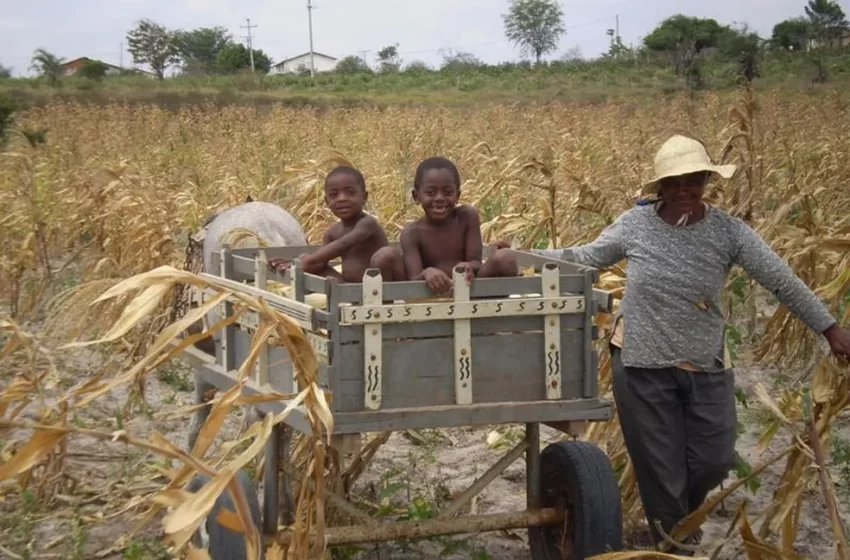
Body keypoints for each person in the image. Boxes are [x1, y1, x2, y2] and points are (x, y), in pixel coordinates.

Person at [501, 135, 850, 555]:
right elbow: (586, 256)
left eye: (694, 180)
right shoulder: (636, 224)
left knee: (714, 460)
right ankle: (674, 544)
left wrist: (829, 329)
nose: (684, 189)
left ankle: (677, 527)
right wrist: (519, 257)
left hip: (705, 365)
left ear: (707, 180)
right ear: (660, 187)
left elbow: (780, 280)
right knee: (661, 471)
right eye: (674, 182)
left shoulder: (729, 232)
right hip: (641, 365)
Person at [400, 156, 519, 294]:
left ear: (458, 195)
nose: (439, 198)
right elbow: (413, 279)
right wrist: (427, 273)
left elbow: (476, 262)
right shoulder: (411, 233)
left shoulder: (467, 216)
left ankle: (498, 310)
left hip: (470, 288)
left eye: (448, 192)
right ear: (416, 196)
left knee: (506, 258)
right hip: (433, 295)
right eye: (430, 193)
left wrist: (467, 266)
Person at [269, 165, 404, 283]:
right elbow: (318, 261)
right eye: (334, 195)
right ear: (327, 201)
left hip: (382, 288)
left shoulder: (367, 223)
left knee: (386, 254)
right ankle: (343, 294)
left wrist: (304, 262)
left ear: (364, 197)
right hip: (350, 288)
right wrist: (297, 262)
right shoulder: (332, 233)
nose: (342, 199)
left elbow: (343, 244)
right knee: (311, 261)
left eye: (350, 193)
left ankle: (386, 300)